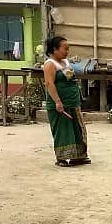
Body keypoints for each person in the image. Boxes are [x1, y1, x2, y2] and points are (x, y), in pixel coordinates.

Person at [42, 36, 90, 167]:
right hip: (60, 104)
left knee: (77, 129)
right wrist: (58, 102)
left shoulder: (66, 62)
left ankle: (79, 156)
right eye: (65, 49)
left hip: (73, 102)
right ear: (55, 49)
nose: (67, 51)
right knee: (63, 130)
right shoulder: (50, 65)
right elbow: (49, 83)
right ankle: (62, 158)